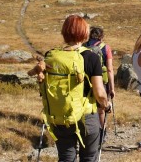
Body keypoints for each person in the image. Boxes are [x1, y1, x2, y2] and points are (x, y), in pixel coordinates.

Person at [34, 15, 110, 161]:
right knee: (88, 157)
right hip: (86, 117)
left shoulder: (50, 55)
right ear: (84, 33)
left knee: (66, 157)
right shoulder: (91, 57)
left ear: (64, 32)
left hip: (59, 116)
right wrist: (106, 105)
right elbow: (100, 93)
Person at [84, 27, 115, 132]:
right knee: (101, 109)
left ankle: (87, 130)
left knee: (86, 106)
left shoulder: (83, 47)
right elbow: (110, 69)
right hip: (101, 81)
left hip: (85, 81)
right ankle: (101, 132)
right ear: (101, 36)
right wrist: (112, 88)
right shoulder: (105, 48)